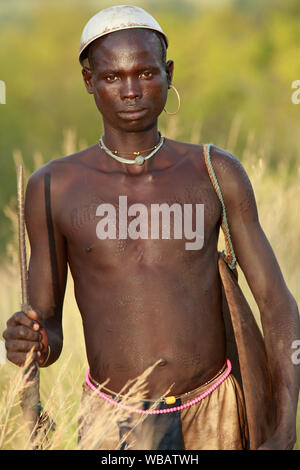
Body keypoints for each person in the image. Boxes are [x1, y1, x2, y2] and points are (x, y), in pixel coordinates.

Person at [3, 5, 300, 450]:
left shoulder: (214, 171)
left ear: (169, 73)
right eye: (112, 77)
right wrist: (31, 341)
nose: (130, 90)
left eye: (145, 73)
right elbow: (51, 330)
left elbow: (277, 305)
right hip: (115, 422)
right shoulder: (55, 187)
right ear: (89, 82)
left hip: (214, 412)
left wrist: (284, 427)